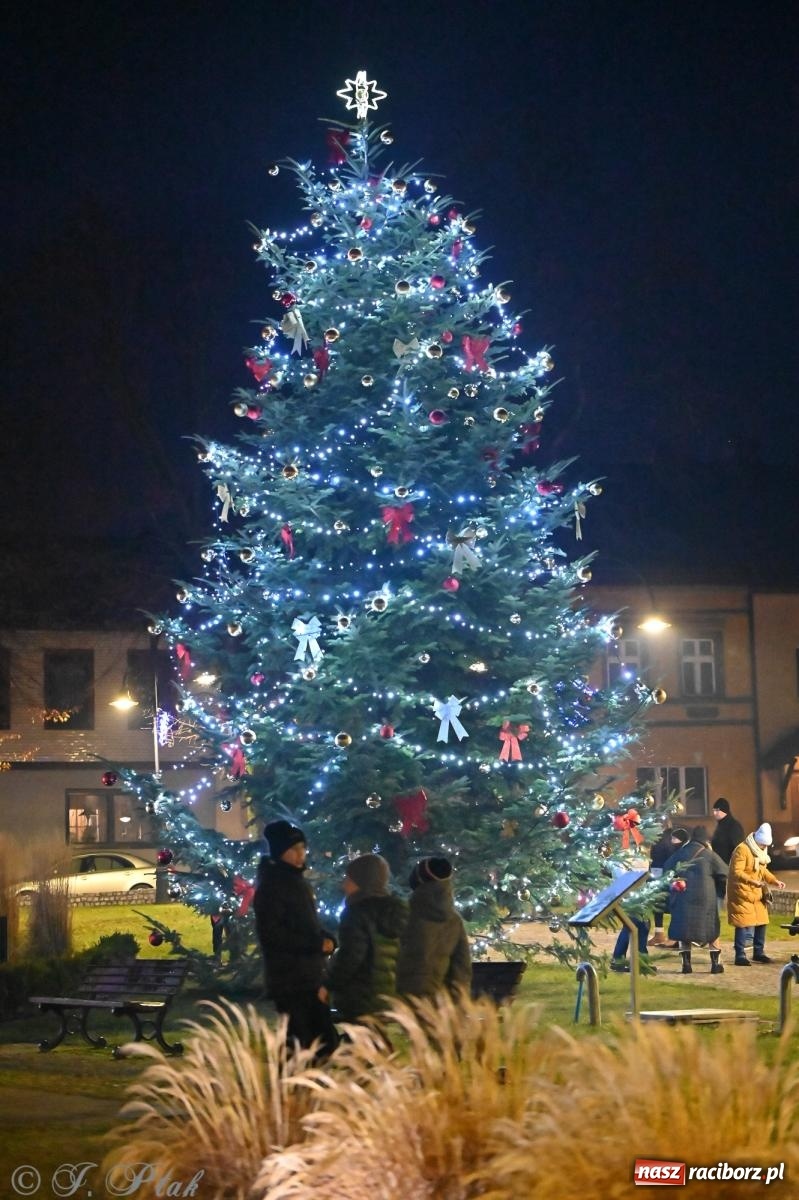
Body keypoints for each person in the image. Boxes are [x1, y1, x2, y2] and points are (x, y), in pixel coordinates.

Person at [253, 819, 339, 1056]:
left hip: (308, 974)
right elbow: (272, 934)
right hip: (291, 979)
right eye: (294, 849)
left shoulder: (296, 881)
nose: (301, 854)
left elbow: (305, 925)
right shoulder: (273, 885)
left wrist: (326, 938)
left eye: (303, 848)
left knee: (322, 1042)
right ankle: (295, 1089)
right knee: (302, 1044)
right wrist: (315, 944)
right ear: (282, 852)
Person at [321, 853, 408, 1025]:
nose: (344, 884)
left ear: (362, 881)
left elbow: (351, 956)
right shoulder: (397, 912)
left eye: (349, 878)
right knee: (374, 1043)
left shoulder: (356, 913)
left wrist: (328, 984)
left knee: (363, 1045)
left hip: (360, 995)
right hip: (387, 993)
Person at [396, 857, 472, 999]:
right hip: (441, 1002)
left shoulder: (404, 914)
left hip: (404, 999)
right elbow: (462, 965)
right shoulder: (454, 920)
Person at [662, 825, 728, 974]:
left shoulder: (681, 852)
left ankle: (686, 965)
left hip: (683, 897)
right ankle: (715, 965)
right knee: (712, 930)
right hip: (706, 899)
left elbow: (666, 869)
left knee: (684, 930)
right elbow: (724, 872)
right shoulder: (709, 854)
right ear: (705, 839)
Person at [727, 821, 786, 966]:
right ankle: (740, 955)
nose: (765, 848)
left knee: (762, 921)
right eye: (763, 845)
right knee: (742, 923)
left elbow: (762, 870)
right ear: (757, 841)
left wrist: (774, 881)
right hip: (741, 892)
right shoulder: (742, 849)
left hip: (756, 892)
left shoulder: (760, 851)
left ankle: (758, 953)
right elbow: (737, 872)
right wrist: (754, 882)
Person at [710, 798, 745, 864]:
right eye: (714, 810)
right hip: (720, 866)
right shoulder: (721, 826)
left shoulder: (734, 826)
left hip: (728, 866)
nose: (714, 813)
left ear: (724, 811)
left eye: (717, 810)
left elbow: (738, 849)